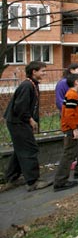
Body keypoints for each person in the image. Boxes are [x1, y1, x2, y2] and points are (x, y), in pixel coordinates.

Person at [3, 61, 53, 192]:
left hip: (19, 121)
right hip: (17, 122)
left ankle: (11, 178)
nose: (44, 73)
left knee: (20, 149)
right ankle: (32, 182)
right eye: (42, 70)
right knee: (30, 149)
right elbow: (20, 107)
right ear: (34, 72)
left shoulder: (32, 84)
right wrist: (30, 120)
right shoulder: (27, 86)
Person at [53, 73, 78, 192]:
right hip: (72, 127)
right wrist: (74, 128)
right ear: (76, 82)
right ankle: (60, 181)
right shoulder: (71, 95)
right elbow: (68, 115)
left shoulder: (74, 94)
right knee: (69, 153)